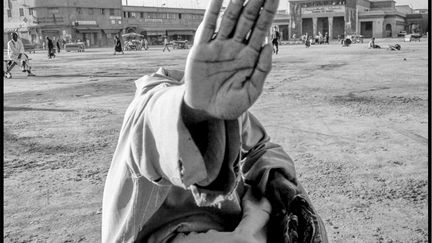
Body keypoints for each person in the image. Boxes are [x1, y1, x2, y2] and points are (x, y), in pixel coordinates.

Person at [101, 0, 328, 242]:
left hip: (237, 226)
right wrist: (195, 111)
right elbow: (156, 130)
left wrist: (279, 182)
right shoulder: (152, 102)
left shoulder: (227, 106)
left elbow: (259, 146)